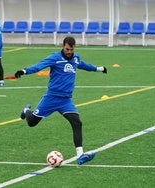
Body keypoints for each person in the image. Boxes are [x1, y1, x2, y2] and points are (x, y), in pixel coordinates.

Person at [15, 36, 107, 165]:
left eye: (71, 49)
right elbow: (39, 65)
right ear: (62, 46)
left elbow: (85, 66)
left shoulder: (76, 58)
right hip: (51, 98)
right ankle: (26, 110)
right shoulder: (55, 58)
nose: (69, 52)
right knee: (32, 123)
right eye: (67, 49)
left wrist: (99, 69)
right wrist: (24, 71)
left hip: (66, 101)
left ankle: (80, 155)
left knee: (77, 123)